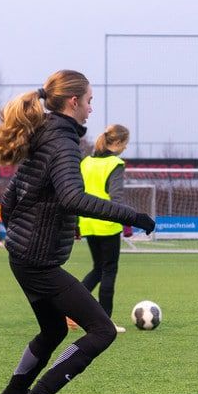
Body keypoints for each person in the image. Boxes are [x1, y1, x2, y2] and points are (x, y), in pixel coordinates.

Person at [0, 70, 155, 394]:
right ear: (73, 102)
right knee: (103, 330)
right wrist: (132, 216)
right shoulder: (62, 143)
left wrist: (26, 229)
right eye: (89, 101)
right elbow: (73, 197)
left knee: (54, 328)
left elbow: (10, 198)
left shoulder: (41, 134)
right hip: (38, 260)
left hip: (24, 254)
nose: (91, 109)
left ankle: (15, 391)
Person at [78, 124, 131, 334]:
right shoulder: (115, 163)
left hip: (87, 222)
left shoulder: (86, 162)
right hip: (107, 223)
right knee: (109, 270)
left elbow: (76, 193)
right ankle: (105, 323)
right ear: (117, 143)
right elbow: (116, 199)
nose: (125, 149)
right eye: (125, 144)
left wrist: (75, 224)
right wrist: (127, 222)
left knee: (98, 269)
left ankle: (70, 309)